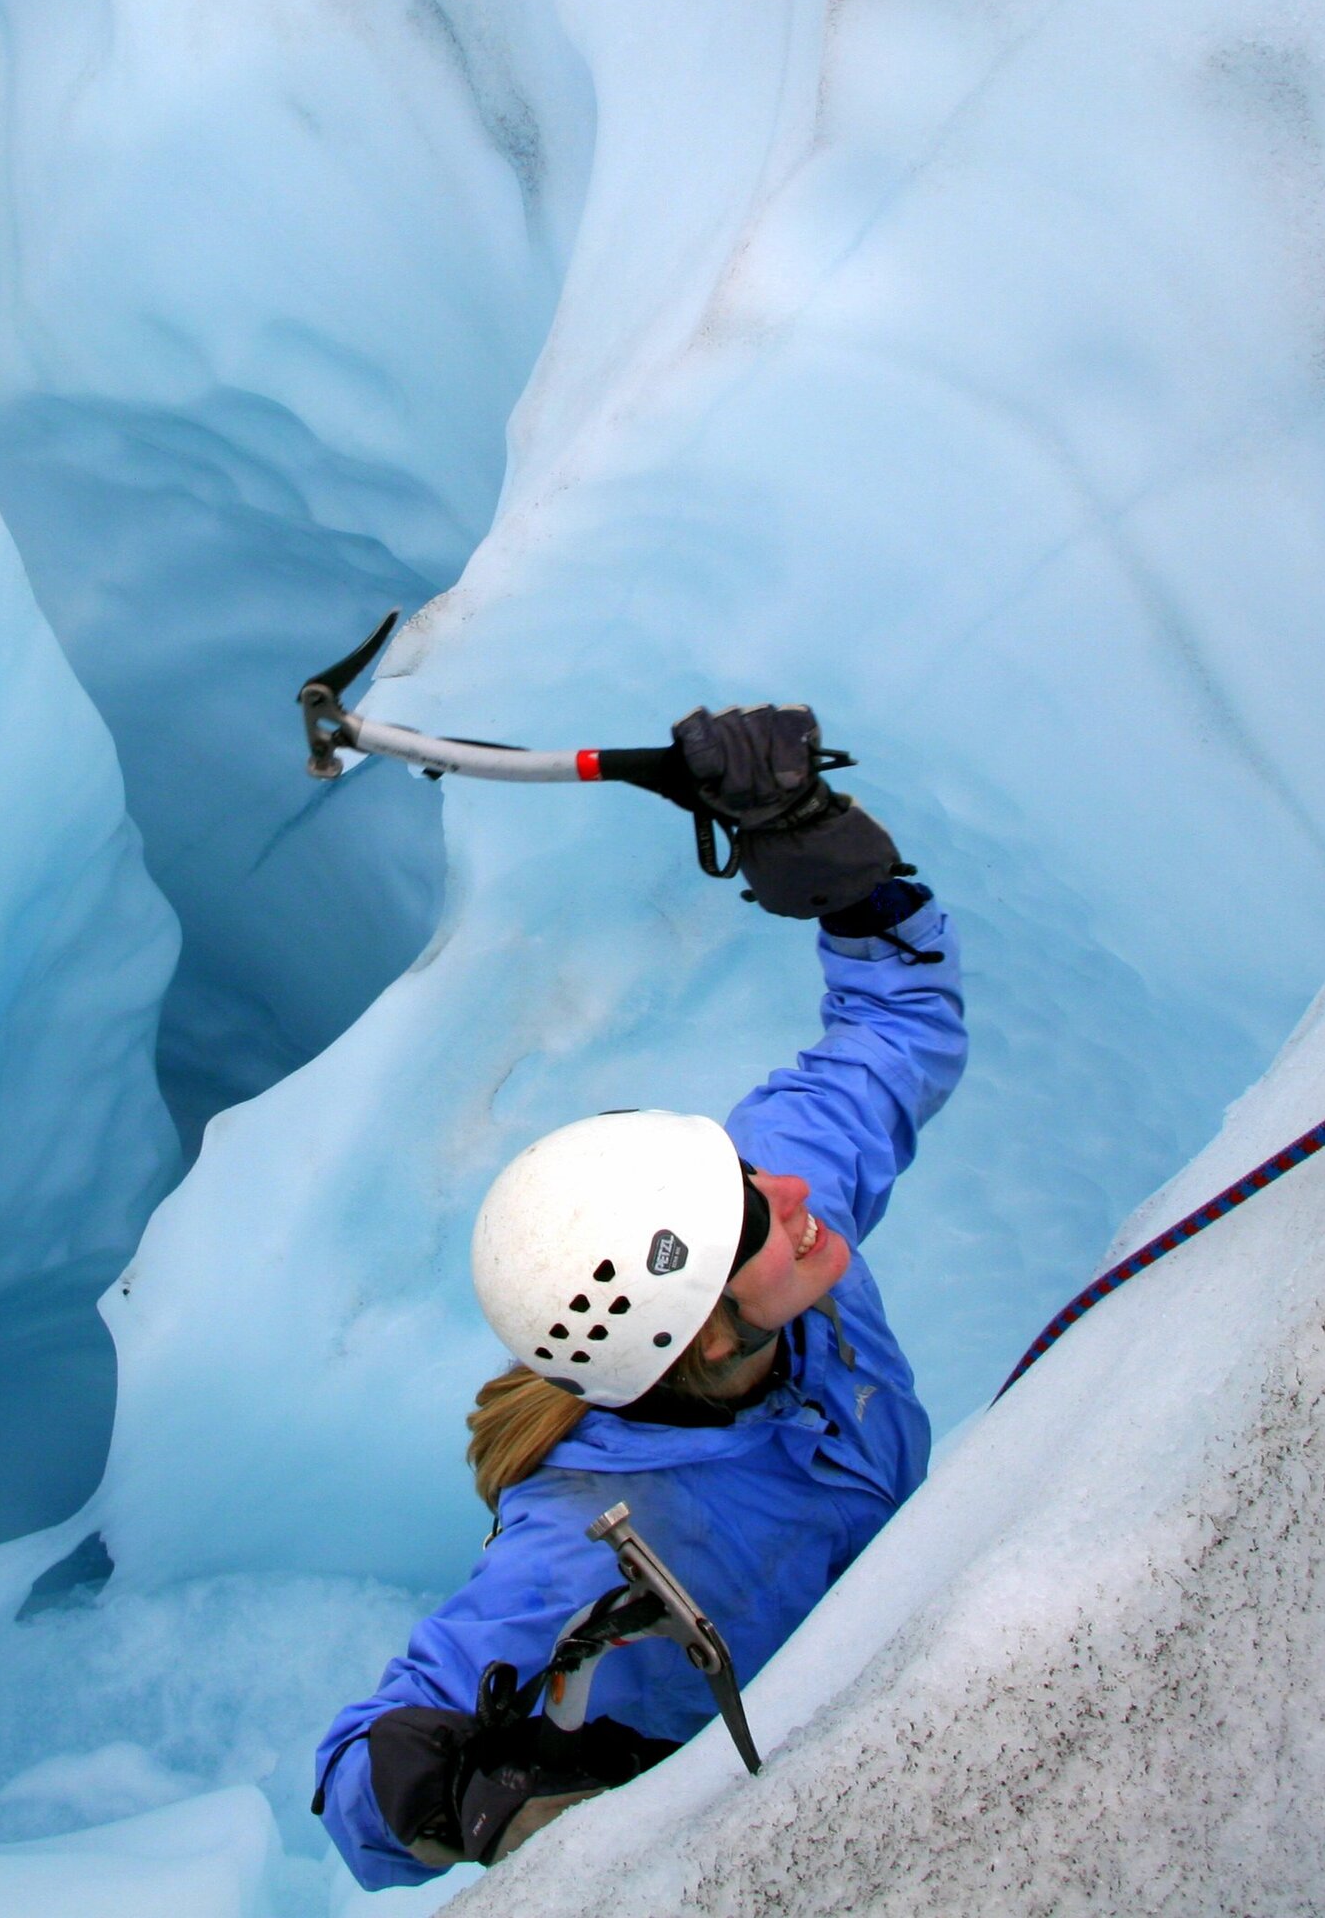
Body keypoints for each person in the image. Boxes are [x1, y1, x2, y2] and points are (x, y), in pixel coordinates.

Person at [314, 705, 967, 1889]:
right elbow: (357, 1785)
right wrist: (455, 1789)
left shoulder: (774, 1253)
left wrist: (829, 864)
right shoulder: (586, 1546)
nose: (786, 1188)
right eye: (752, 1214)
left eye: (741, 1173)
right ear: (699, 1327)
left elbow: (894, 1023)